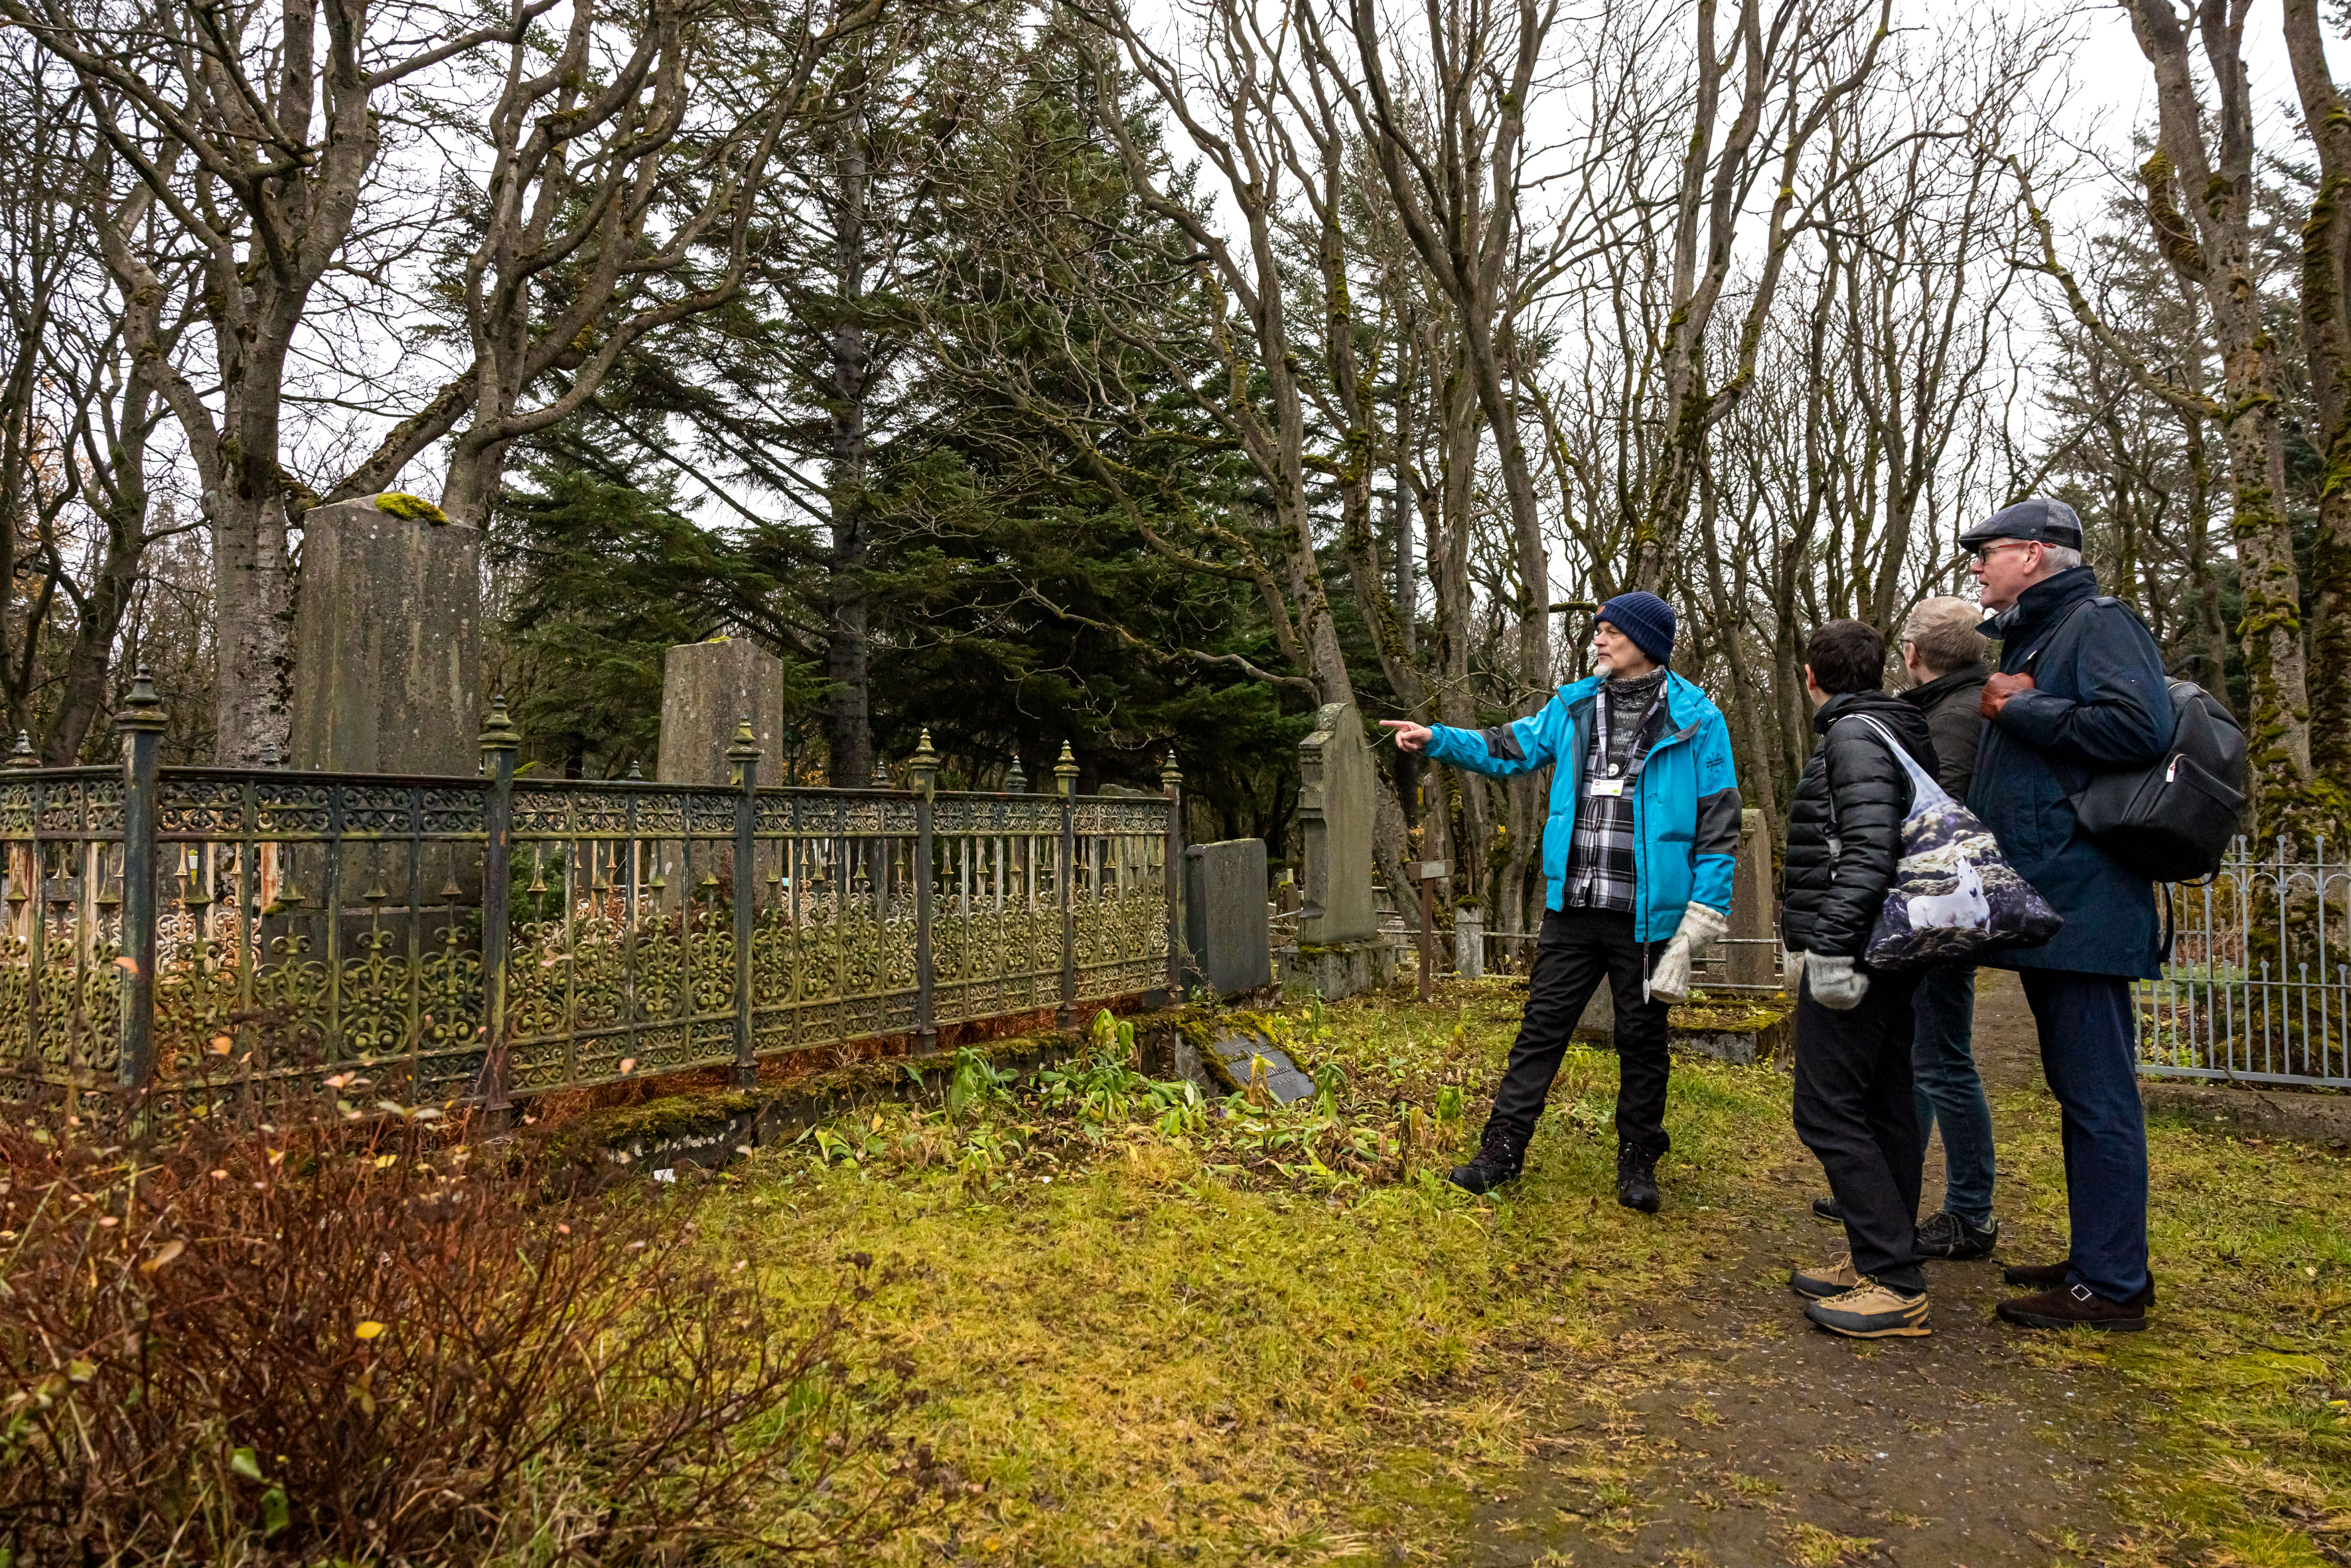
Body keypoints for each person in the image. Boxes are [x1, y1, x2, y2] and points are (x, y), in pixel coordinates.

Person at [1381, 591, 1741, 1212]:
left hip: (1648, 917)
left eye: (1609, 632)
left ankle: (1637, 1163)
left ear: (1644, 642)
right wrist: (1435, 737)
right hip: (1573, 908)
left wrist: (1696, 925)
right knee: (1540, 1030)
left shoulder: (1698, 719)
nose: (1597, 641)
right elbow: (1507, 747)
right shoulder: (1572, 705)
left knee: (1642, 1039)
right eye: (1596, 631)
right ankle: (1501, 1151)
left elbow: (1718, 827)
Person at [1965, 496, 2173, 1333]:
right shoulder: (2044, 634)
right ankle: (2103, 1259)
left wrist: (2019, 708)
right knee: (2080, 1090)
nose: (1976, 565)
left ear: (2038, 552)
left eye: (1987, 551)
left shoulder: (2097, 621)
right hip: (2063, 902)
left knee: (2098, 1096)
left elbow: (2139, 726)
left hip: (2087, 900)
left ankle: (2112, 1284)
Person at [1808, 597, 2001, 1260]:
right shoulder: (1946, 708)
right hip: (1927, 909)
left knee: (1942, 1061)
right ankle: (1887, 1196)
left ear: (1914, 655)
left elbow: (1918, 823)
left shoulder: (1952, 717)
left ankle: (1969, 1210)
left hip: (1933, 910)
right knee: (1912, 1064)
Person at [1780, 619, 1942, 1339]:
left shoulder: (1852, 737)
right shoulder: (1895, 725)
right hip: (1893, 946)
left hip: (1860, 951)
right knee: (1883, 1103)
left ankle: (1895, 1282)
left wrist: (1832, 949)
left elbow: (1869, 854)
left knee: (1824, 1108)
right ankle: (1880, 1255)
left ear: (1812, 676)